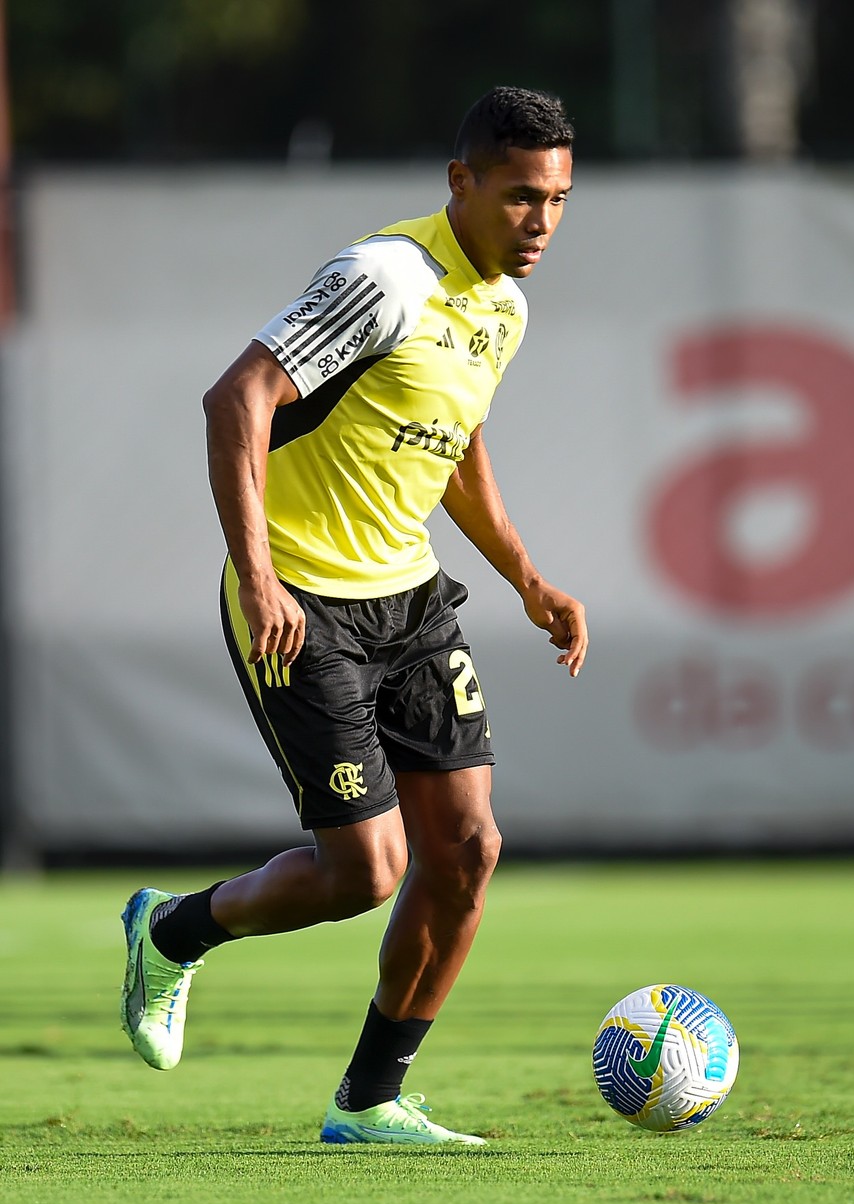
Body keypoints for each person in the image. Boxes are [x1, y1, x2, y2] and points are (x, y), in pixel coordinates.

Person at [120, 85, 587, 1146]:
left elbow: (455, 440)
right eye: (519, 197)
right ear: (460, 182)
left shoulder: (504, 305)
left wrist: (526, 578)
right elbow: (235, 398)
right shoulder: (384, 278)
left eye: (557, 200)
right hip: (304, 603)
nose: (541, 222)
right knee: (363, 876)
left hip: (411, 602)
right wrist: (260, 576)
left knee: (467, 853)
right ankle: (172, 930)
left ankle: (370, 1101)